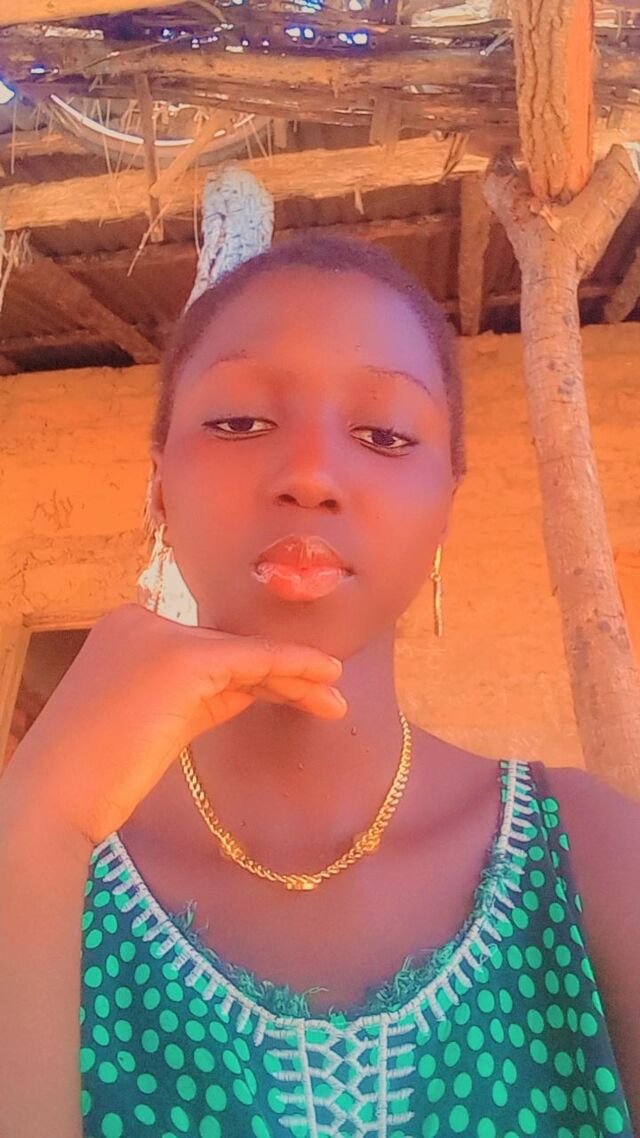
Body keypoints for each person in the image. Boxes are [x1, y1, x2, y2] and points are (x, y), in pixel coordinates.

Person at [0, 234, 637, 1138]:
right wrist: (35, 828)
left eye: (385, 435)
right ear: (160, 485)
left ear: (446, 504)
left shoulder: (596, 857)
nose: (309, 475)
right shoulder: (42, 868)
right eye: (239, 422)